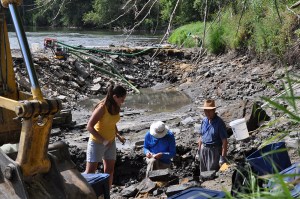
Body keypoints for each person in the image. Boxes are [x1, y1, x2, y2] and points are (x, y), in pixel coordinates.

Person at [84, 84, 127, 188]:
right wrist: (103, 141)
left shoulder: (116, 106)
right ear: (115, 97)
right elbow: (89, 126)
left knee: (109, 170)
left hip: (111, 142)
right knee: (90, 172)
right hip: (97, 143)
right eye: (122, 99)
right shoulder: (102, 108)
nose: (123, 102)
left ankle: (106, 194)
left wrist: (118, 135)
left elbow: (112, 122)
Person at [198, 99, 228, 172]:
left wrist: (223, 157)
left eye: (209, 111)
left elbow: (224, 141)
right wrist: (198, 151)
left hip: (214, 151)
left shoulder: (219, 123)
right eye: (205, 110)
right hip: (204, 149)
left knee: (212, 172)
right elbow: (201, 136)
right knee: (203, 171)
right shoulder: (204, 121)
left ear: (214, 110)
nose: (207, 113)